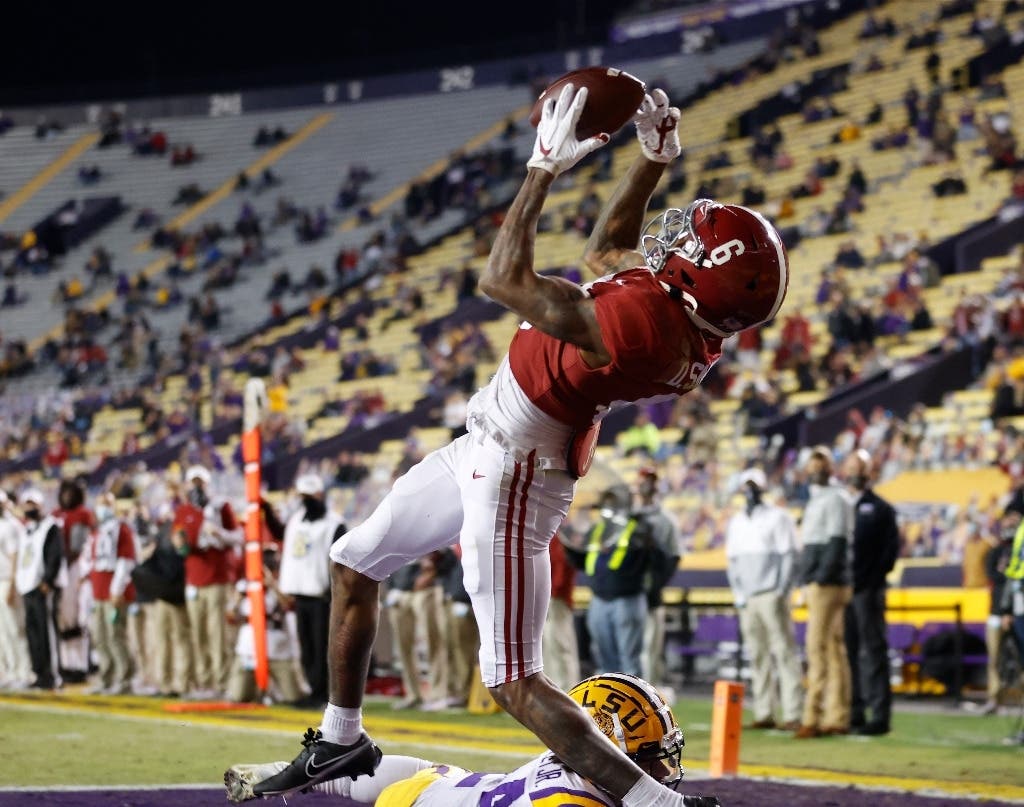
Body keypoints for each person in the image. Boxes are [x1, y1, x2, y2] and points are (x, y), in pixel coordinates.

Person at [240, 82, 787, 807]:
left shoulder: (641, 329)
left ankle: (660, 805)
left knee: (514, 678)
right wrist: (650, 164)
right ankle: (341, 737)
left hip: (517, 469)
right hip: (487, 443)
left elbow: (500, 279)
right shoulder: (674, 315)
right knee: (353, 561)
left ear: (698, 283)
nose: (678, 234)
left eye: (692, 242)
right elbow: (606, 249)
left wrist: (542, 169)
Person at [225, 673, 719, 806]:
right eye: (655, 757)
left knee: (434, 778)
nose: (665, 772)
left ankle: (300, 778)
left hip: (442, 791)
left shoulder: (574, 765)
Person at [724, 467, 803, 731]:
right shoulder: (736, 522)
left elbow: (789, 556)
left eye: (753, 486)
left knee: (783, 652)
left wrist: (781, 590)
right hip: (748, 597)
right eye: (746, 486)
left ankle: (793, 712)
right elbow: (733, 562)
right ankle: (764, 711)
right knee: (758, 655)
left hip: (770, 593)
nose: (749, 491)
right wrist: (739, 596)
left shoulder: (778, 517)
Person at [262, 473, 346, 707]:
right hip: (300, 594)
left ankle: (323, 694)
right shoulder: (297, 519)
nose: (306, 501)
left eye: (309, 496)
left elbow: (341, 560)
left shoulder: (334, 523)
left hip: (322, 596)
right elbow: (280, 533)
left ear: (320, 495)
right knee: (307, 645)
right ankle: (313, 690)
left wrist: (336, 594)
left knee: (321, 647)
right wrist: (266, 509)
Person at [794, 447, 854, 738]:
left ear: (830, 468)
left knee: (815, 647)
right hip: (826, 580)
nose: (815, 471)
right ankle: (837, 716)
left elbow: (837, 543)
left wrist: (816, 579)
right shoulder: (821, 499)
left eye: (821, 465)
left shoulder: (834, 498)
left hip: (827, 584)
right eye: (812, 465)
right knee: (832, 649)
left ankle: (812, 717)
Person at [566, 486, 655, 677]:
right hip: (599, 599)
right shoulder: (598, 529)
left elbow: (650, 560)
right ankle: (608, 704)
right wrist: (570, 543)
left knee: (629, 662)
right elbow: (581, 557)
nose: (609, 507)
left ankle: (636, 703)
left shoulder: (639, 528)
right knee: (605, 661)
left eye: (613, 501)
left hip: (627, 598)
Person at [842, 449, 899, 736]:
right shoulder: (839, 504)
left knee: (873, 651)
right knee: (848, 652)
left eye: (860, 467)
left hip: (868, 590)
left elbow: (889, 553)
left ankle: (879, 716)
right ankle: (853, 712)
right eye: (851, 466)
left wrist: (868, 581)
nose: (855, 473)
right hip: (842, 590)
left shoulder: (880, 508)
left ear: (870, 472)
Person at [171, 465, 241, 698]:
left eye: (200, 481)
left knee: (218, 633)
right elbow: (179, 543)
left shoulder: (221, 507)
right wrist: (178, 544)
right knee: (198, 634)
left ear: (207, 483)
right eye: (193, 482)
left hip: (217, 579)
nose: (196, 486)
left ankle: (221, 683)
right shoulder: (183, 511)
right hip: (193, 580)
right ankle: (204, 682)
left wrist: (218, 534)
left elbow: (239, 537)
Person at [82, 493, 137, 695]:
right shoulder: (97, 532)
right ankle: (106, 677)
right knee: (100, 637)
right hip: (98, 593)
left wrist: (116, 590)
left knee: (116, 636)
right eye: (100, 504)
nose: (103, 508)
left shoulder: (121, 530)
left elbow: (126, 561)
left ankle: (125, 680)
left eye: (107, 504)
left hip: (114, 594)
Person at [634, 468, 681, 693]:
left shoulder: (665, 519)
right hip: (626, 592)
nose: (645, 487)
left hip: (651, 594)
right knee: (628, 647)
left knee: (651, 648)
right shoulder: (626, 515)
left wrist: (657, 583)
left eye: (650, 482)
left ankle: (648, 695)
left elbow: (674, 556)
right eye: (643, 481)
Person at [15, 489, 66, 690]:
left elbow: (55, 555)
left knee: (47, 632)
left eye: (32, 504)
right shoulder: (26, 529)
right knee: (33, 632)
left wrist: (48, 580)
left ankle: (52, 675)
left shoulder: (50, 526)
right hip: (27, 586)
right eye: (26, 504)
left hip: (41, 586)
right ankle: (39, 673)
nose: (29, 508)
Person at [0, 491, 31, 688]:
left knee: (16, 628)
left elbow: (14, 557)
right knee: (3, 632)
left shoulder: (11, 526)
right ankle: (10, 671)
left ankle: (24, 672)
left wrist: (12, 585)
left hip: (7, 581)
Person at [541, 531, 580, 691]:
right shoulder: (549, 534)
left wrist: (554, 591)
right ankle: (555, 688)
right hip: (547, 596)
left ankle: (568, 690)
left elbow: (561, 565)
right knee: (549, 647)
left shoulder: (557, 536)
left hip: (556, 599)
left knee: (560, 645)